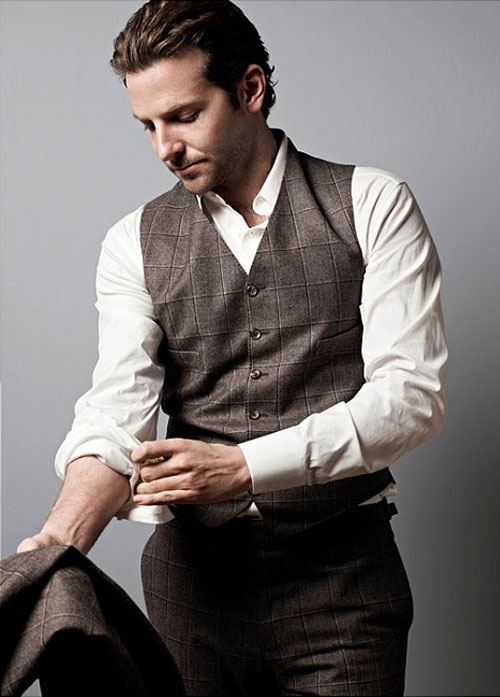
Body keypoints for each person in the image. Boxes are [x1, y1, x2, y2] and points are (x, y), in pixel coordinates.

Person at [17, 1, 448, 695]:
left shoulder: (373, 203)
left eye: (184, 115)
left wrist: (242, 467)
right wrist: (56, 541)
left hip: (343, 582)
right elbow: (117, 412)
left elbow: (409, 400)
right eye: (147, 125)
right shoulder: (131, 242)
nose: (165, 147)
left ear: (250, 89)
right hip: (192, 592)